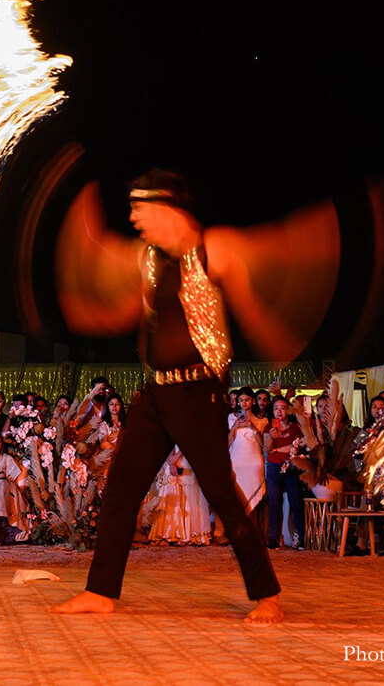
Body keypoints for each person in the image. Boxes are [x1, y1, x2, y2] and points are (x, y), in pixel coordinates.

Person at [53, 169, 283, 624]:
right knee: (121, 490)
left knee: (221, 493)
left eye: (139, 208)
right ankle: (100, 591)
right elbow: (121, 302)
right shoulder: (151, 261)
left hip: (199, 392)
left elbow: (259, 279)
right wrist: (89, 300)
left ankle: (268, 595)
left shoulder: (213, 249)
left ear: (165, 207)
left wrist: (274, 334)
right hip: (156, 393)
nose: (133, 218)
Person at [148, 447, 211, 545]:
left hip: (186, 455)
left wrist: (177, 456)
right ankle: (168, 534)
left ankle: (189, 534)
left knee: (190, 493)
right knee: (170, 490)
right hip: (171, 455)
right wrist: (172, 461)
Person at [265, 396, 305, 550]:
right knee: (274, 501)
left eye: (282, 408)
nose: (279, 411)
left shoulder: (295, 427)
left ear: (288, 410)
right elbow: (267, 449)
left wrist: (277, 449)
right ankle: (274, 538)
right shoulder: (269, 427)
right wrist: (271, 438)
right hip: (273, 466)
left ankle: (301, 537)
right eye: (276, 408)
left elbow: (296, 447)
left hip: (291, 466)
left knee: (296, 501)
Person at [228, 391, 269, 534]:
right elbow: (227, 443)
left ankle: (257, 533)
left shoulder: (262, 421)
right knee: (238, 497)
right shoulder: (231, 418)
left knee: (256, 497)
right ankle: (241, 534)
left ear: (253, 401)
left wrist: (253, 427)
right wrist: (234, 427)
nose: (244, 403)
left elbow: (263, 445)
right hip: (237, 461)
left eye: (247, 399)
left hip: (254, 462)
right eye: (241, 400)